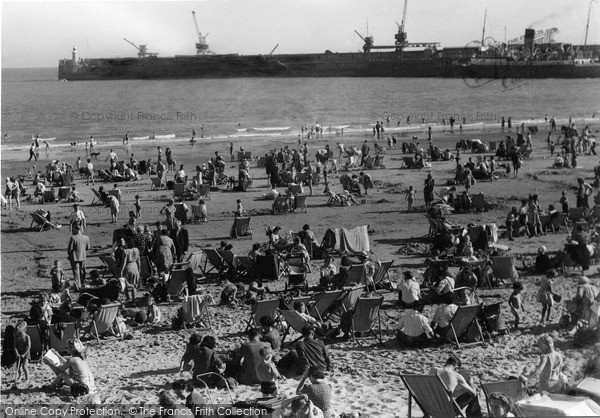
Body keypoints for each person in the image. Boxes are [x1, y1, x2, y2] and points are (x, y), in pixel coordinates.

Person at [67, 226, 89, 290]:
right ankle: (82, 282)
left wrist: (69, 255)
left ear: (76, 230)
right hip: (83, 256)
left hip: (74, 257)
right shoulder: (86, 237)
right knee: (82, 270)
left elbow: (69, 249)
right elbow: (88, 248)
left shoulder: (73, 238)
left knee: (76, 272)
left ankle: (78, 285)